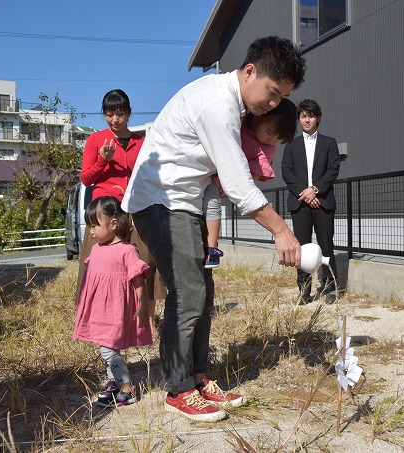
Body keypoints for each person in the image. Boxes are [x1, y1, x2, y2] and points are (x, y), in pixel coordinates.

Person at [122, 35, 306, 422]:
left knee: (203, 293)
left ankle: (199, 376)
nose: (273, 105)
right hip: (160, 200)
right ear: (250, 71)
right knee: (188, 292)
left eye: (280, 98)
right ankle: (177, 387)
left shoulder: (234, 104)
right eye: (272, 94)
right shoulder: (219, 105)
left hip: (183, 201)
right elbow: (238, 185)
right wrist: (281, 230)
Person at [79, 89, 163, 338]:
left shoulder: (141, 142)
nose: (114, 119)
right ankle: (99, 320)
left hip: (137, 208)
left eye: (119, 113)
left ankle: (146, 321)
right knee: (101, 267)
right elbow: (86, 179)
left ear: (128, 113)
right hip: (105, 212)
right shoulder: (96, 140)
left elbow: (151, 175)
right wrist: (103, 161)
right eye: (109, 114)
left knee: (144, 263)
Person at [73, 196, 151, 407]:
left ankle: (126, 387)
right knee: (107, 347)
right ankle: (113, 382)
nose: (91, 231)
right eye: (89, 226)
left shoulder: (127, 250)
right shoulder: (96, 249)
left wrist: (143, 306)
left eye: (94, 225)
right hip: (100, 310)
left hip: (116, 311)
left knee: (108, 349)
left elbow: (138, 280)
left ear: (113, 223)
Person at [203, 98, 298, 268]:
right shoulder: (239, 120)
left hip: (221, 182)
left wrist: (225, 187)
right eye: (269, 133)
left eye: (278, 139)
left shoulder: (266, 150)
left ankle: (211, 247)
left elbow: (250, 178)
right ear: (259, 117)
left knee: (211, 204)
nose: (271, 140)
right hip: (206, 170)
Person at [281, 99, 341, 305]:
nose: (307, 120)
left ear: (318, 118)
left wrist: (314, 190)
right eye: (303, 116)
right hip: (300, 203)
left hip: (323, 201)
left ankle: (330, 288)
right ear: (299, 119)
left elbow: (333, 170)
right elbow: (286, 172)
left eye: (311, 116)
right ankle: (304, 292)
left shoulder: (329, 143)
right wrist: (305, 193)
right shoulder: (291, 144)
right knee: (301, 249)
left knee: (326, 245)